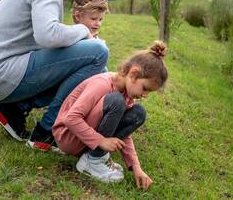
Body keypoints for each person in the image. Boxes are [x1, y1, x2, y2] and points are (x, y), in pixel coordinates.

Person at [0, 0, 114, 151]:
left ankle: (13, 109)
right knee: (98, 51)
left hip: (0, 73)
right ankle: (46, 131)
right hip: (1, 73)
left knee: (94, 62)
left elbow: (51, 44)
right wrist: (84, 31)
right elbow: (47, 36)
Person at [52, 41, 168, 191]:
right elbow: (71, 118)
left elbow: (125, 133)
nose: (145, 95)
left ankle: (92, 156)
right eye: (145, 88)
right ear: (133, 74)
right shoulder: (103, 84)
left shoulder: (127, 94)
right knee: (116, 101)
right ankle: (93, 161)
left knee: (138, 113)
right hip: (69, 137)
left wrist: (135, 166)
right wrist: (101, 140)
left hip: (85, 139)